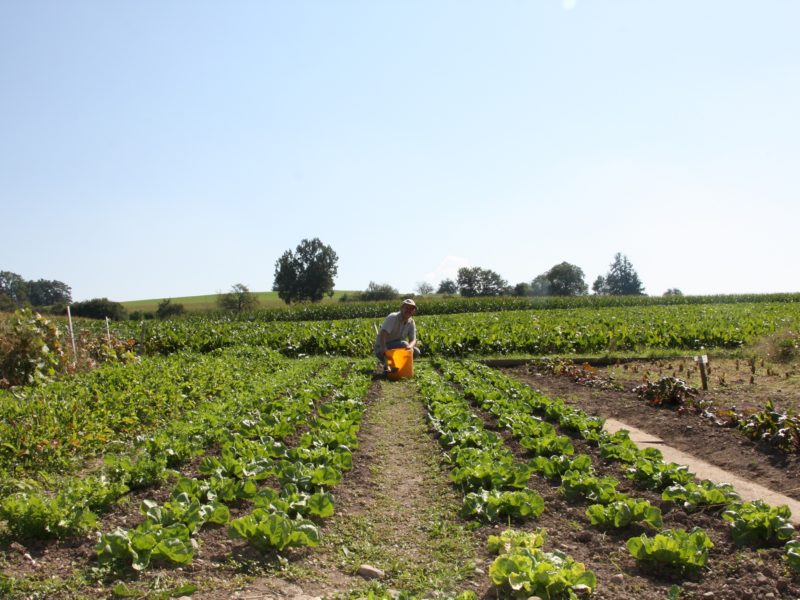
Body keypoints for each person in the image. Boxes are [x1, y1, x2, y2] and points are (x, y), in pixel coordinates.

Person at [374, 298, 421, 374]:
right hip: (383, 348)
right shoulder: (393, 317)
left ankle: (398, 366)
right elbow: (383, 333)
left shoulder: (411, 322)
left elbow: (413, 340)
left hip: (397, 348)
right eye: (407, 308)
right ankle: (387, 364)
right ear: (402, 308)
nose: (409, 310)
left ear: (414, 311)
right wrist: (383, 348)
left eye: (411, 309)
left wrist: (410, 347)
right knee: (403, 344)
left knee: (416, 352)